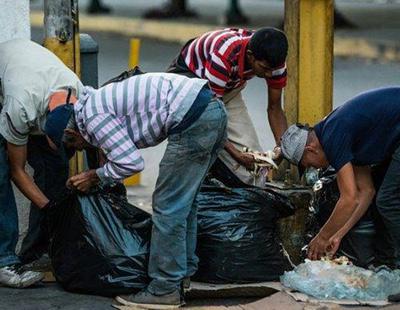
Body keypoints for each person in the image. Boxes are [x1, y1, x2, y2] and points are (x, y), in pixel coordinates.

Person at [45, 72, 227, 308]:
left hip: (195, 118)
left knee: (167, 206)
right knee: (185, 202)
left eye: (75, 146)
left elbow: (131, 163)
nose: (80, 150)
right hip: (212, 110)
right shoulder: (92, 104)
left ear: (71, 133)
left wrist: (95, 177)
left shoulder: (92, 117)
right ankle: (183, 275)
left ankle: (164, 289)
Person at [280, 87, 400, 263]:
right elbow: (365, 192)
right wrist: (337, 235)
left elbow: (349, 199)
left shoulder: (333, 135)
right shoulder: (335, 133)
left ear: (310, 149)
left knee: (388, 200)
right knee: (383, 197)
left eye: (309, 164)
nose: (313, 168)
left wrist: (321, 237)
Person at [0, 38, 83, 287]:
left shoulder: (78, 94)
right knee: (1, 175)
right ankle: (4, 261)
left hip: (27, 77)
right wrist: (51, 209)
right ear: (45, 131)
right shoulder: (21, 106)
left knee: (56, 165)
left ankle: (37, 251)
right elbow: (17, 171)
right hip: (10, 85)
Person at [168, 27, 288, 187]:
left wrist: (282, 147)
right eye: (265, 69)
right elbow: (210, 115)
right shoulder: (224, 54)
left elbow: (275, 109)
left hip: (225, 88)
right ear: (251, 56)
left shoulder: (275, 64)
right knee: (206, 144)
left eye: (273, 70)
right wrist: (236, 155)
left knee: (256, 172)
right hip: (192, 84)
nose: (269, 75)